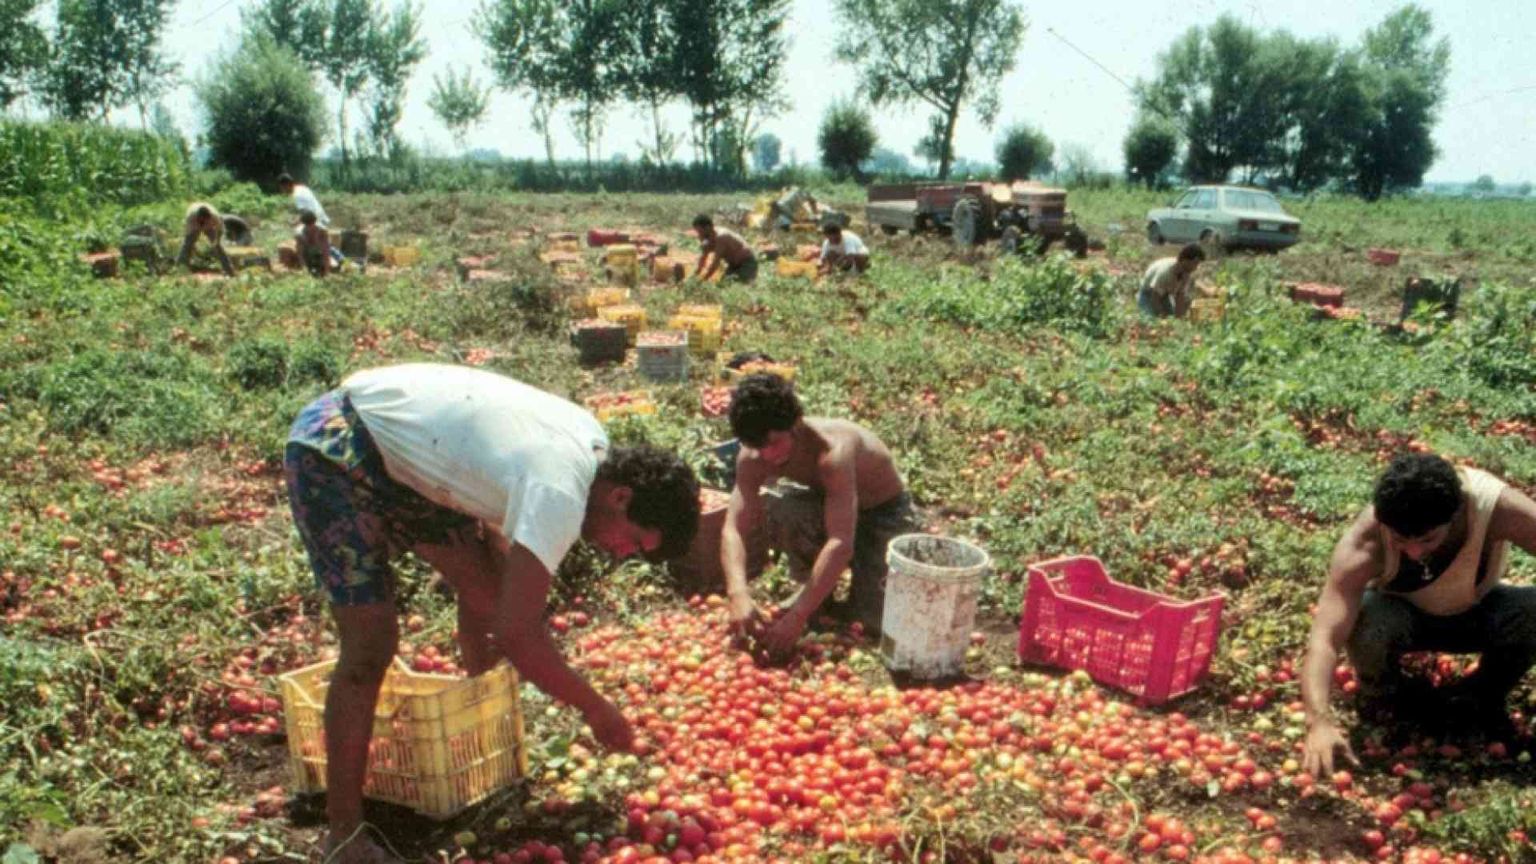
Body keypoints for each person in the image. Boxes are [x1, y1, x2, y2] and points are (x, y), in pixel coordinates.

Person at [283, 363, 700, 863]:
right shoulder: (560, 492)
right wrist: (594, 707)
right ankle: (345, 837)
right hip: (339, 445)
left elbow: (497, 564)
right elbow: (517, 634)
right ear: (621, 497)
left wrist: (490, 624)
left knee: (488, 588)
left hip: (408, 460)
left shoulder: (591, 449)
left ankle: (479, 735)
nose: (621, 553)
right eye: (633, 541)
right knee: (370, 646)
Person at [1300, 453, 1536, 777]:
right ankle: (1385, 698)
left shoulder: (1497, 509)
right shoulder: (1365, 541)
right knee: (1366, 618)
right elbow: (1325, 638)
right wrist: (1318, 721)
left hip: (1480, 611)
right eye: (1400, 540)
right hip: (1401, 619)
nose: (1413, 552)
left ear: (1454, 517)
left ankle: (1482, 696)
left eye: (1428, 539)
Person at [720, 373, 920, 657]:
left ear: (796, 424)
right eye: (757, 446)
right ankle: (815, 593)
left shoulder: (833, 452)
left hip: (884, 513)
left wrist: (797, 616)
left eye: (774, 443)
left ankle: (825, 595)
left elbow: (840, 541)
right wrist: (737, 593)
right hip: (830, 505)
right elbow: (733, 528)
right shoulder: (753, 458)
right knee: (788, 507)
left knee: (875, 621)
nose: (766, 455)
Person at [1138, 243, 1205, 318]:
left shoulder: (1186, 274)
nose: (1196, 267)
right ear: (1185, 260)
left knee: (1171, 316)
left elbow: (1180, 296)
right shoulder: (1165, 272)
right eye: (1195, 263)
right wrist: (1162, 316)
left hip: (1164, 295)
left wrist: (1179, 318)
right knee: (1151, 319)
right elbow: (1155, 298)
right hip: (1148, 294)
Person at [691, 214, 758, 283]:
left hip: (746, 263)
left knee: (738, 287)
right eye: (697, 231)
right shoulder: (707, 238)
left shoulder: (721, 236)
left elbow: (715, 262)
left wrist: (703, 280)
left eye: (700, 231)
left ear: (707, 227)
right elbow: (703, 257)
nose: (699, 234)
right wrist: (695, 275)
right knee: (723, 285)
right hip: (733, 265)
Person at [175, 202, 235, 277]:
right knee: (187, 246)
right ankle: (180, 269)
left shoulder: (215, 216)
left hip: (209, 226)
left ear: (208, 217)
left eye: (205, 219)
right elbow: (187, 233)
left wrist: (217, 240)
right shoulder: (190, 216)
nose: (203, 220)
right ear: (198, 217)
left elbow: (220, 229)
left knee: (218, 247)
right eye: (201, 219)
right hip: (194, 225)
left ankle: (229, 270)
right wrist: (192, 244)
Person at [296, 210, 332, 277]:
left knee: (332, 264)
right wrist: (304, 268)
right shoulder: (300, 233)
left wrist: (327, 271)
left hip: (319, 252)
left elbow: (326, 252)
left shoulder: (322, 231)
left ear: (315, 222)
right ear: (304, 224)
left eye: (312, 225)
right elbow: (300, 253)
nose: (310, 228)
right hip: (307, 253)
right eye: (308, 225)